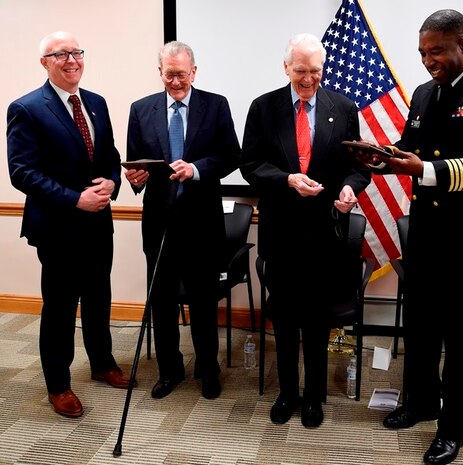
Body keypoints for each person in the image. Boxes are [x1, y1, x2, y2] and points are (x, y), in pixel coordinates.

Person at [349, 10, 463, 465]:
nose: (429, 61)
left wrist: (422, 170)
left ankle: (452, 427)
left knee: (462, 337)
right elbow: (414, 146)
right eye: (423, 53)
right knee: (421, 327)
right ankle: (421, 402)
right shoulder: (425, 94)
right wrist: (385, 159)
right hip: (426, 235)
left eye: (438, 51)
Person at [240, 33, 371, 428]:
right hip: (281, 231)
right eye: (301, 71)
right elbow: (250, 165)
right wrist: (287, 179)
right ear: (286, 68)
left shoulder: (343, 107)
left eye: (316, 71)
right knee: (283, 316)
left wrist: (351, 186)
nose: (309, 79)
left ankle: (313, 396)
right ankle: (287, 394)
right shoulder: (263, 108)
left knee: (316, 319)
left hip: (325, 234)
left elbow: (359, 166)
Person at [6, 31, 131, 418]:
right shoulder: (26, 108)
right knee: (60, 307)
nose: (71, 59)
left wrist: (112, 180)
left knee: (99, 298)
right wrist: (75, 198)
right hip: (59, 227)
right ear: (44, 63)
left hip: (98, 224)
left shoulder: (96, 103)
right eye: (60, 54)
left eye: (76, 52)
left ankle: (101, 363)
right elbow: (22, 172)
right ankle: (58, 385)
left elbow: (110, 155)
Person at [125, 41, 239, 400]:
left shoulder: (215, 105)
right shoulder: (140, 109)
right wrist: (135, 179)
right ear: (159, 72)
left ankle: (208, 369)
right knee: (161, 302)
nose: (176, 81)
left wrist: (197, 169)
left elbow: (231, 155)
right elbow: (136, 163)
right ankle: (169, 369)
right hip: (159, 223)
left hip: (202, 223)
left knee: (204, 302)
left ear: (194, 71)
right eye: (169, 74)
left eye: (182, 74)